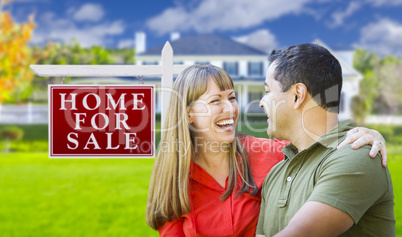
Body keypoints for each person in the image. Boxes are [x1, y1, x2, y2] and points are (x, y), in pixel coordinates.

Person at [146, 65, 387, 237]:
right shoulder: (175, 181)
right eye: (215, 101)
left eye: (231, 98)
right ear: (189, 114)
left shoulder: (268, 153)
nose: (230, 109)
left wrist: (362, 134)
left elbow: (318, 145)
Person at [256, 43, 395, 236]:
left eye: (268, 91)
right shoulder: (276, 174)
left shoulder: (358, 155)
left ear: (297, 95)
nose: (262, 102)